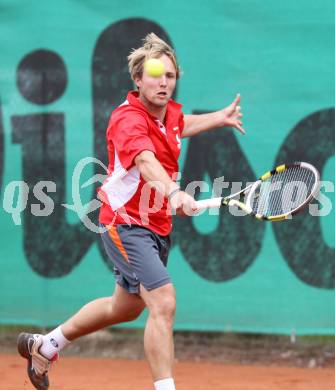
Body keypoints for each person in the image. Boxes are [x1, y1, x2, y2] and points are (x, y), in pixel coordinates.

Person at [17, 33, 245, 390]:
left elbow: (179, 126)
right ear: (138, 80)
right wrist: (172, 192)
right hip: (126, 224)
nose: (163, 82)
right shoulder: (127, 119)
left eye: (170, 76)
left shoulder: (168, 114)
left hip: (156, 225)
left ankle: (46, 345)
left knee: (124, 307)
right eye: (155, 75)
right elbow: (145, 160)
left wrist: (219, 117)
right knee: (163, 302)